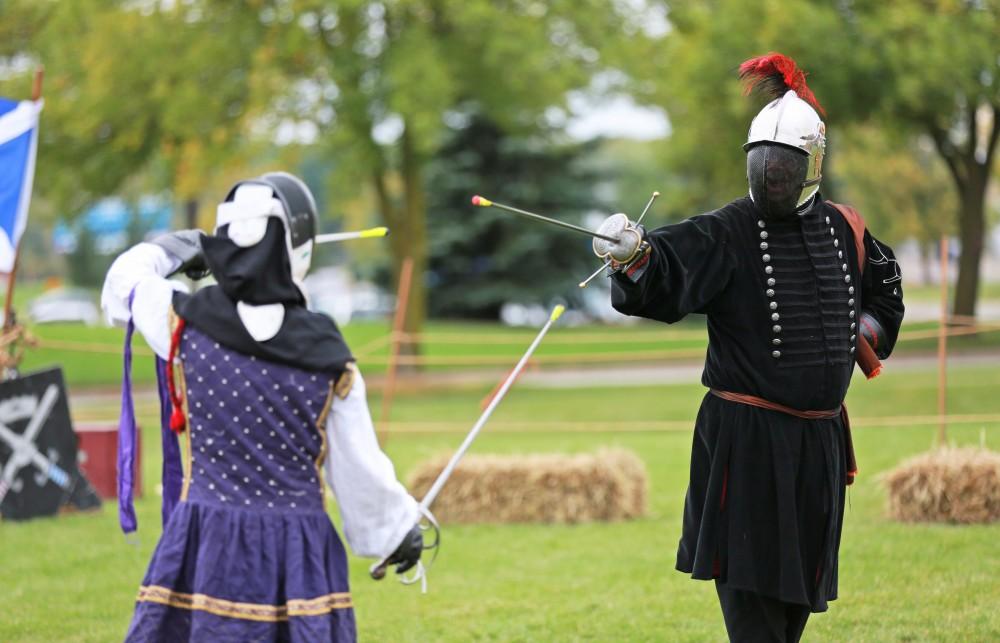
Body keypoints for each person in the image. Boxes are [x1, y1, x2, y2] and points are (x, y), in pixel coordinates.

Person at [593, 54, 904, 642]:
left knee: (794, 614)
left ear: (812, 164)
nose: (773, 177)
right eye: (764, 164)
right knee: (754, 613)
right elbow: (668, 265)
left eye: (784, 166)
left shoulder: (846, 228)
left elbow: (886, 293)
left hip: (818, 444)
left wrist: (855, 337)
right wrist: (633, 255)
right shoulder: (728, 230)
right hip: (747, 445)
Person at [102, 172, 423, 642]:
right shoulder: (327, 355)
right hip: (296, 548)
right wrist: (397, 531)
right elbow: (359, 469)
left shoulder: (183, 323)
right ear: (299, 248)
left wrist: (178, 248)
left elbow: (123, 283)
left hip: (205, 538)